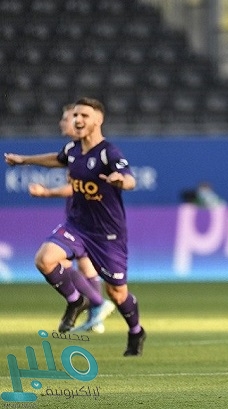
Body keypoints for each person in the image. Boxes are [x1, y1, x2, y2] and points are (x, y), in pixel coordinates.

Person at [4, 97, 146, 356]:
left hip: (107, 234)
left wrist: (120, 180)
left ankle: (136, 331)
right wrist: (24, 160)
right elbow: (57, 158)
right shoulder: (73, 149)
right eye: (76, 115)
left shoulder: (108, 152)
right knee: (45, 259)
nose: (78, 120)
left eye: (84, 115)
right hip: (77, 225)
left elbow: (130, 179)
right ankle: (75, 300)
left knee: (117, 293)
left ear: (98, 120)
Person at [27, 103, 115, 333]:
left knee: (61, 262)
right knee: (83, 265)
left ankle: (95, 304)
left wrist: (47, 192)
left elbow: (78, 187)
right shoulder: (75, 150)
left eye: (66, 119)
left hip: (87, 220)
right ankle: (96, 315)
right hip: (80, 216)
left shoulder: (89, 151)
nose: (64, 123)